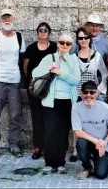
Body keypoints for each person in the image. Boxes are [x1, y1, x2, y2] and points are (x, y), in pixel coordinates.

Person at [32, 32, 80, 175]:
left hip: (67, 101)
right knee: (50, 133)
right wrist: (48, 68)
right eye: (62, 42)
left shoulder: (73, 60)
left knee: (63, 133)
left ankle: (60, 163)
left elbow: (76, 80)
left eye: (68, 43)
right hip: (50, 102)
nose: (64, 45)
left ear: (71, 46)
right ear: (57, 44)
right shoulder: (49, 58)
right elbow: (35, 73)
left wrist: (60, 73)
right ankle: (49, 163)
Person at [69, 27, 108, 162]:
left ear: (90, 39)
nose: (83, 40)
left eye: (86, 37)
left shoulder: (96, 56)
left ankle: (97, 146)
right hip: (78, 92)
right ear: (77, 40)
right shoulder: (73, 57)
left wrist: (99, 89)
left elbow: (104, 73)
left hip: (92, 94)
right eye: (80, 38)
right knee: (77, 121)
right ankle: (75, 150)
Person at [72, 81, 108, 180]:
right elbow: (77, 131)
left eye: (92, 92)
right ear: (81, 94)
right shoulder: (76, 107)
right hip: (89, 143)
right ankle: (87, 168)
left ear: (97, 93)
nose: (88, 95)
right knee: (80, 143)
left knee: (101, 175)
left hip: (103, 144)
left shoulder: (106, 107)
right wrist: (96, 141)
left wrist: (105, 141)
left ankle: (97, 162)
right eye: (85, 92)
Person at [23, 22, 57, 159]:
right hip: (34, 89)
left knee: (50, 117)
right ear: (37, 33)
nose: (43, 32)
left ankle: (49, 146)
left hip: (50, 88)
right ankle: (37, 147)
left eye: (45, 30)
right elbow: (25, 68)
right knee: (36, 117)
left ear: (49, 33)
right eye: (40, 30)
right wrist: (33, 82)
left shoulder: (54, 47)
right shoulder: (31, 48)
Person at [0, 9, 26, 158]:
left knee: (15, 115)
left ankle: (14, 145)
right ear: (0, 20)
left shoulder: (19, 37)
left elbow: (23, 59)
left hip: (14, 81)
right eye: (4, 18)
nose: (7, 20)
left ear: (13, 19)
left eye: (9, 17)